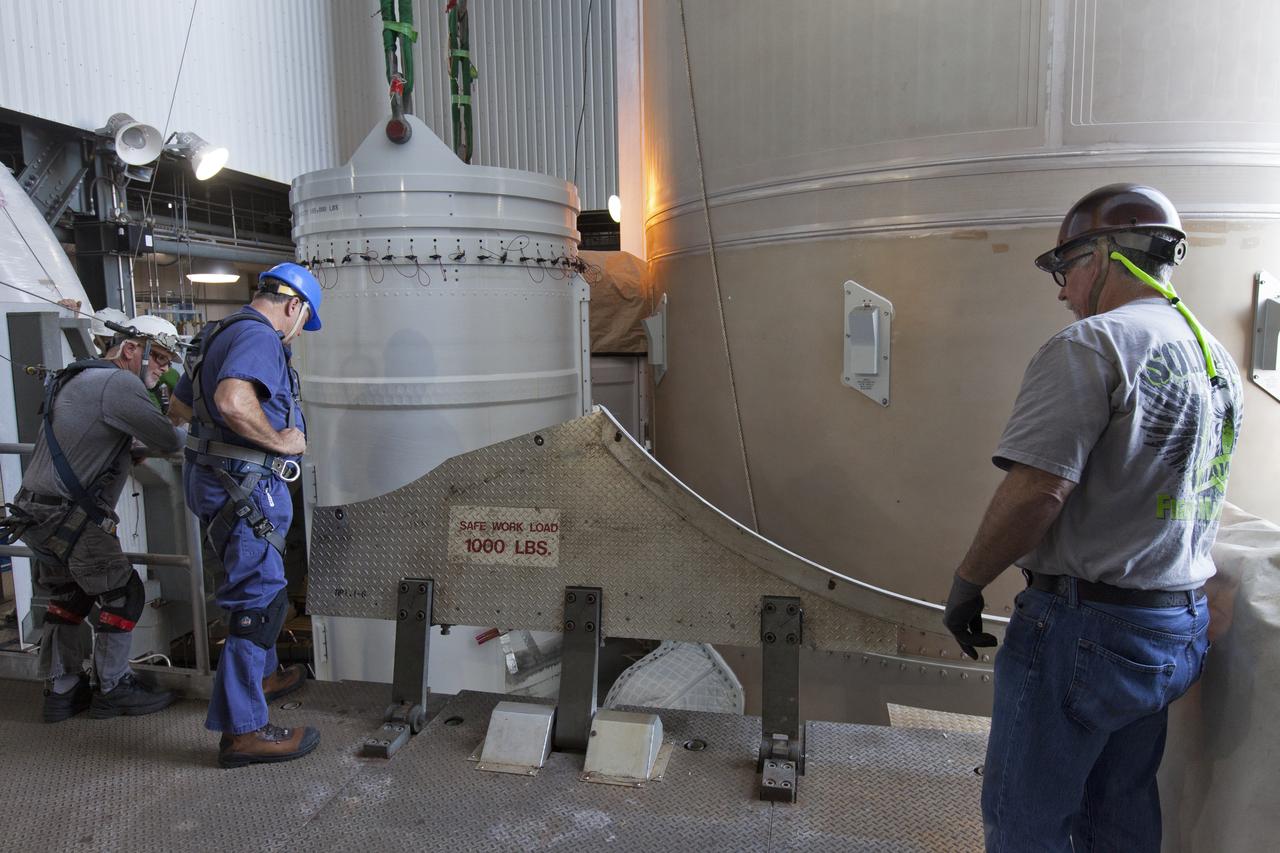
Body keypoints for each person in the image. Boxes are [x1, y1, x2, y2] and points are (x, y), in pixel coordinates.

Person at [941, 184, 1244, 852]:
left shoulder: (1090, 345)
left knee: (1026, 818)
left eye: (1065, 267)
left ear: (1108, 256)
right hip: (1174, 626)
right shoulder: (1214, 357)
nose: (1060, 290)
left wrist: (967, 583)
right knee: (1119, 813)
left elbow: (1037, 492)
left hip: (1085, 632)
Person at [169, 262, 322, 768]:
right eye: (303, 320)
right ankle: (244, 731)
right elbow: (232, 400)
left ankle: (260, 678)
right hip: (246, 489)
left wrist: (228, 441)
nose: (297, 331)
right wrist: (277, 440)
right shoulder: (259, 336)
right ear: (294, 306)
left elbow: (179, 406)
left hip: (218, 482)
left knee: (265, 590)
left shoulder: (218, 332)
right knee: (257, 603)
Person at [8, 315, 184, 721]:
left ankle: (62, 691)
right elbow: (169, 437)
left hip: (36, 512)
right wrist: (180, 424)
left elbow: (92, 434)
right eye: (156, 357)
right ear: (129, 350)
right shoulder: (119, 383)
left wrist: (126, 447)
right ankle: (113, 688)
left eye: (166, 361)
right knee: (124, 595)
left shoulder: (79, 378)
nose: (162, 369)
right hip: (71, 518)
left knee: (70, 597)